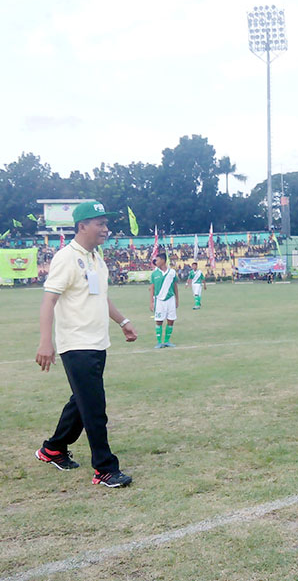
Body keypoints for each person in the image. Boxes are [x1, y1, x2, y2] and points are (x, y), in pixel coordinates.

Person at [34, 201, 137, 488]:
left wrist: (123, 321)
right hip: (76, 344)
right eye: (99, 223)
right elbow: (49, 301)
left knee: (82, 400)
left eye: (106, 223)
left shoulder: (96, 258)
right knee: (94, 407)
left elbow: (100, 296)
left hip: (97, 343)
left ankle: (53, 449)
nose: (106, 228)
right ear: (82, 226)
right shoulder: (66, 258)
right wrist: (46, 342)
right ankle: (104, 468)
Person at [150, 252, 179, 349]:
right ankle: (159, 342)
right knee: (159, 321)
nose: (155, 262)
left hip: (170, 299)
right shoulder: (154, 273)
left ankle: (167, 341)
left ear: (163, 260)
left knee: (171, 320)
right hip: (159, 300)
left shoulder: (172, 272)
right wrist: (151, 301)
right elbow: (152, 288)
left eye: (157, 260)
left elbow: (175, 286)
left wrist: (177, 299)